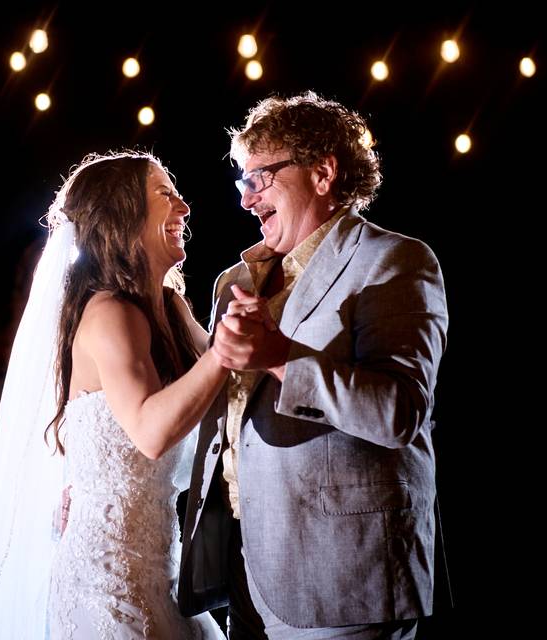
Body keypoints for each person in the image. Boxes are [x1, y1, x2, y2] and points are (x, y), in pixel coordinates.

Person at [177, 92, 449, 639]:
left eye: (262, 178)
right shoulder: (232, 283)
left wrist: (279, 357)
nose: (247, 200)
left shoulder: (394, 261)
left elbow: (398, 413)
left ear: (323, 173)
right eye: (243, 182)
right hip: (242, 571)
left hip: (345, 578)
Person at [0, 152, 229, 639]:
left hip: (165, 574)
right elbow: (152, 431)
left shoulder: (170, 308)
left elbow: (234, 383)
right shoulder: (110, 312)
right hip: (107, 584)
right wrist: (226, 351)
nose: (184, 206)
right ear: (122, 214)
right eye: (164, 194)